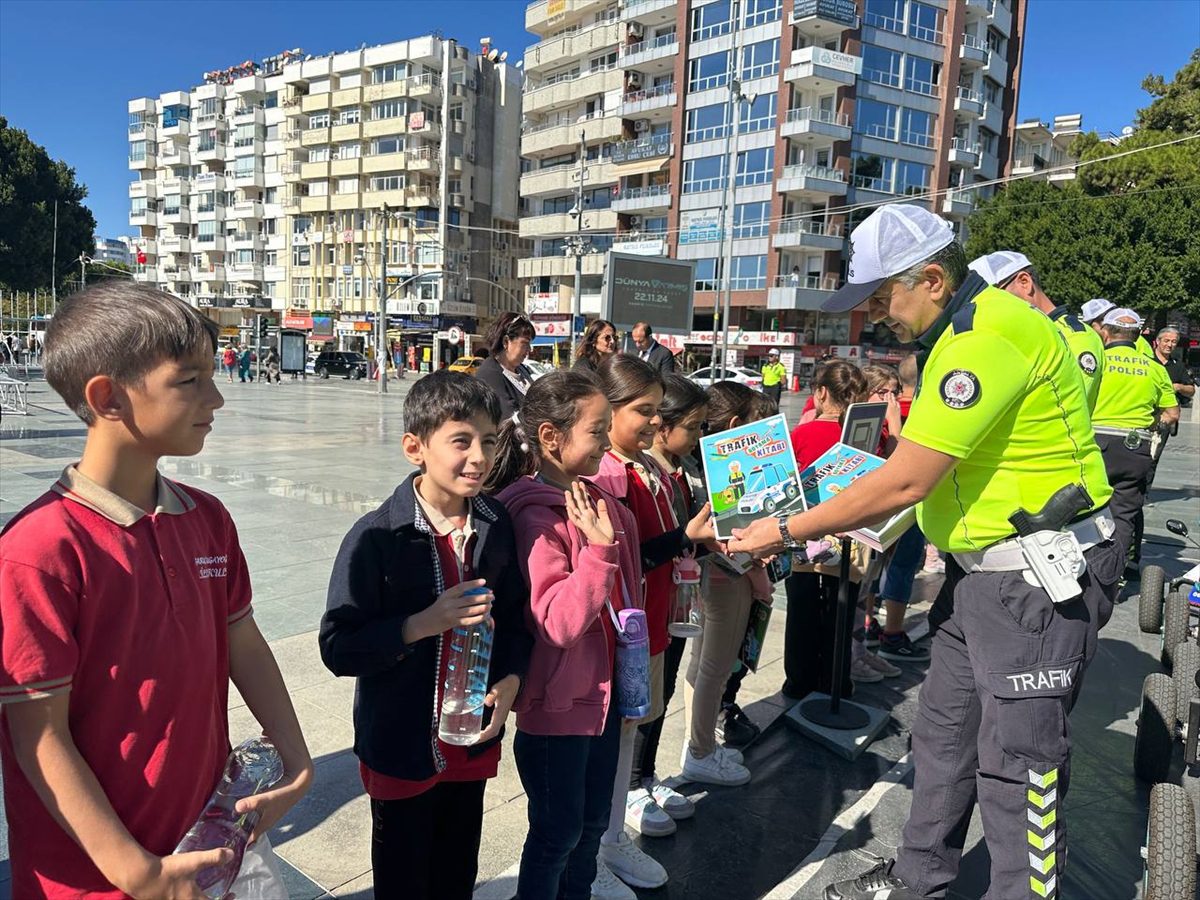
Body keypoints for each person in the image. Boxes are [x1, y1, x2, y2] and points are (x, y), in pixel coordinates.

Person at [727, 204, 1120, 900]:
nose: (877, 315)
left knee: (1018, 764)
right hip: (982, 579)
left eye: (883, 297)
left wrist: (780, 530)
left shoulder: (981, 340)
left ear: (933, 280)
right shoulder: (959, 336)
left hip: (1032, 581)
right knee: (942, 738)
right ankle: (919, 879)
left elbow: (907, 477)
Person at [0, 283, 312, 899]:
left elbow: (242, 640)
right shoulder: (39, 550)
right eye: (189, 380)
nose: (216, 398)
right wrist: (137, 873)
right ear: (108, 397)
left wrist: (297, 759)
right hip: (97, 876)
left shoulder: (207, 517)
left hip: (204, 843)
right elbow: (38, 734)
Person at [319, 371, 532, 900]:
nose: (479, 457)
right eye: (461, 441)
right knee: (403, 877)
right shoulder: (377, 537)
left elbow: (516, 614)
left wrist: (510, 678)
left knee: (457, 868)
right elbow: (339, 645)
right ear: (415, 447)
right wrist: (420, 624)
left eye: (489, 439)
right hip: (401, 743)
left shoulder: (494, 521)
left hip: (470, 739)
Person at [487, 371, 648, 900]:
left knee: (591, 826)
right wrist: (600, 553)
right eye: (597, 431)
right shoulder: (535, 516)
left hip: (599, 701)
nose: (607, 442)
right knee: (558, 833)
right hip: (557, 710)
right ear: (552, 438)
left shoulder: (587, 497)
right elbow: (556, 621)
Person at [589, 355, 713, 888]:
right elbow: (628, 555)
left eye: (659, 412)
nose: (655, 423)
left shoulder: (650, 467)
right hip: (623, 633)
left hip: (652, 625)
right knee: (609, 746)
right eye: (644, 410)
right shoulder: (609, 473)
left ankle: (612, 838)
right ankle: (595, 850)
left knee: (627, 738)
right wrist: (687, 537)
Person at [666, 379, 759, 786]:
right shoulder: (710, 469)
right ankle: (701, 750)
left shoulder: (693, 464)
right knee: (714, 668)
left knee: (703, 665)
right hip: (724, 572)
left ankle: (700, 743)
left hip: (713, 572)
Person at [784, 359, 879, 695]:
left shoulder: (802, 434)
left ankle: (798, 681)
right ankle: (836, 680)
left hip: (806, 534)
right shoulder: (866, 435)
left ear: (821, 393)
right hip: (852, 534)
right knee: (841, 609)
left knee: (801, 610)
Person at [1090, 307, 1180, 578]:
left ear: (1106, 332)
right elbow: (1172, 413)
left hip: (1095, 442)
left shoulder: (1096, 362)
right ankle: (1112, 576)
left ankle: (1083, 570)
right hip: (1135, 447)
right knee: (1124, 514)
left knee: (1084, 509)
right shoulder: (1153, 368)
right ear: (1137, 335)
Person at [969, 250, 1106, 410]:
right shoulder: (1018, 335)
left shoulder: (1075, 336)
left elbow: (1065, 405)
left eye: (992, 295)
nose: (986, 307)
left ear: (1024, 282)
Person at [475, 312, 536, 420]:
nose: (529, 349)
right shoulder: (490, 374)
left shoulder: (522, 370)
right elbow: (507, 417)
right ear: (506, 342)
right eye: (525, 343)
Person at [1153, 326, 1194, 407]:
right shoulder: (1146, 360)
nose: (1169, 345)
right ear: (1158, 341)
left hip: (1170, 411)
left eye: (1174, 342)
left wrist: (1178, 387)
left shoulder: (1179, 365)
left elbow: (1191, 390)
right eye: (1166, 341)